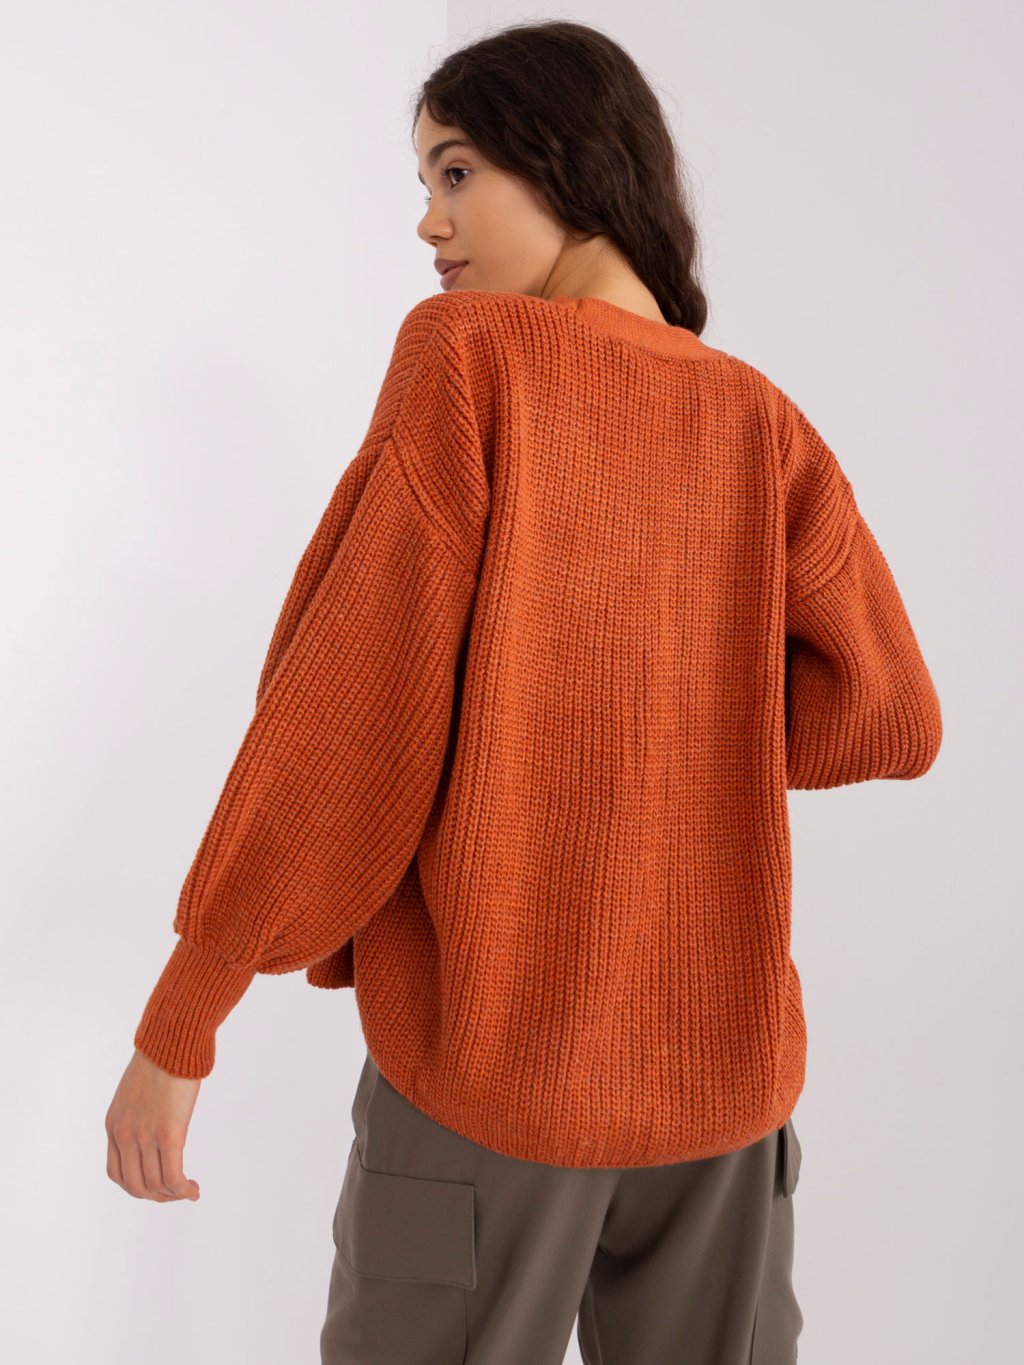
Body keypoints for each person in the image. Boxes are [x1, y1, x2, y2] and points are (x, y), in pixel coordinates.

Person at [105, 19, 942, 1364]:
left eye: (456, 172)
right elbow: (888, 711)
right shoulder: (761, 421)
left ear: (567, 162)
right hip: (722, 1094)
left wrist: (183, 1015)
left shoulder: (472, 360)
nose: (427, 221)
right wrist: (679, 710)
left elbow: (350, 718)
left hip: (495, 1072)